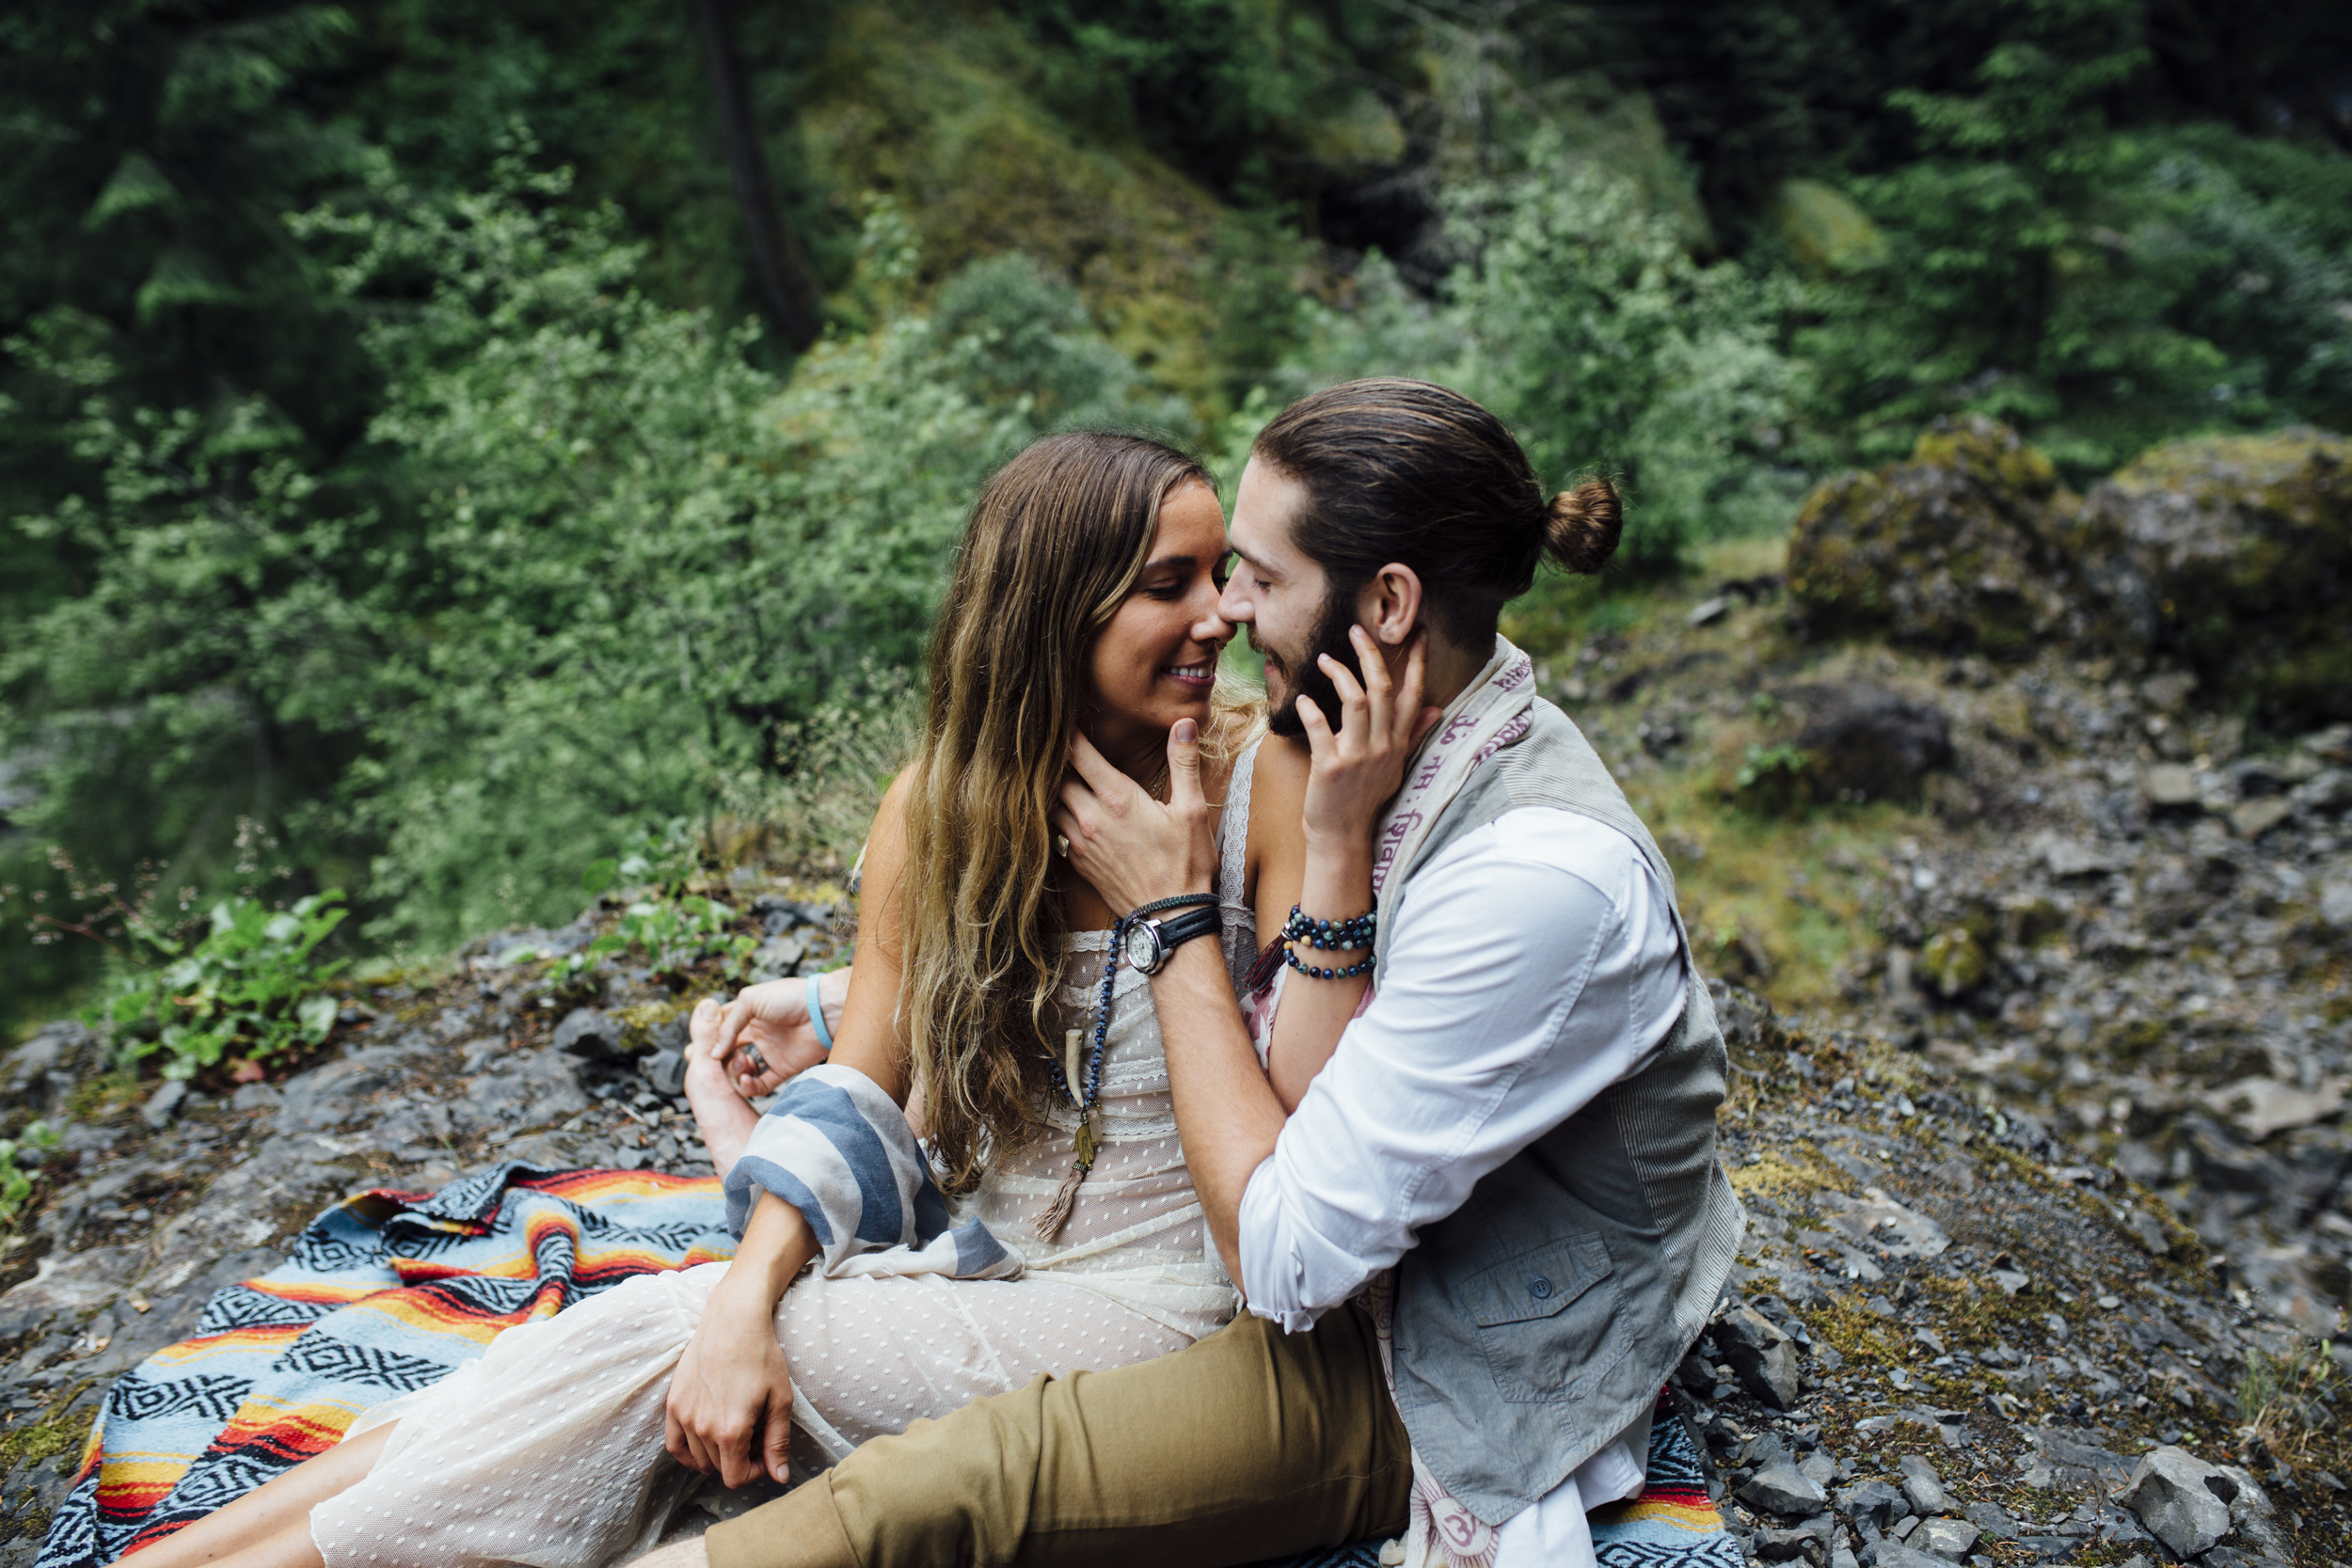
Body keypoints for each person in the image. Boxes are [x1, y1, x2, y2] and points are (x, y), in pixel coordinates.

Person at [104, 429, 1431, 1568]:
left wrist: (1291, 857)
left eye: (1221, 576)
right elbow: (861, 1085)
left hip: (1174, 1313)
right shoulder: (940, 807)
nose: (1221, 615)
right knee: (596, 1362)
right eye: (1168, 584)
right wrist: (746, 1302)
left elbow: (1315, 1121)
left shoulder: (1265, 784)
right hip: (990, 1267)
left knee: (644, 1336)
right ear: (1052, 608)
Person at [667, 378, 1747, 1568]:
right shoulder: (1375, 754)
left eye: (1254, 574)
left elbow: (1284, 1257)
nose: (1229, 611)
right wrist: (851, 997)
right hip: (1352, 1272)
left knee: (935, 1486)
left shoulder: (1532, 873)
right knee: (691, 1352)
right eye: (1197, 576)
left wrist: (1168, 911)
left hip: (1435, 1342)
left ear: (1388, 602)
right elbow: (1330, 990)